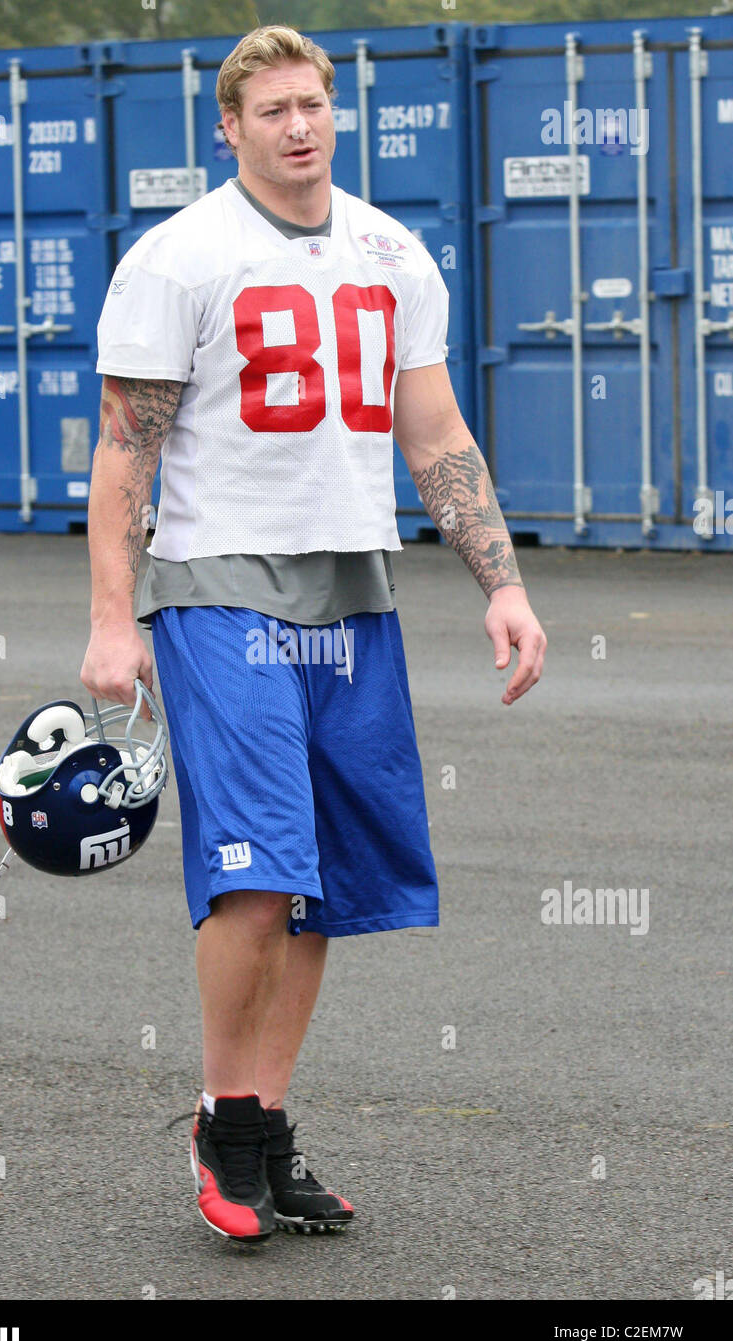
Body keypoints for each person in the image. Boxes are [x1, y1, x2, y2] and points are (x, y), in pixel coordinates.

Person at [81, 24, 546, 1244]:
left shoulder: (394, 253)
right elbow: (127, 444)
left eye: (315, 106)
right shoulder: (180, 257)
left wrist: (498, 583)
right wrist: (110, 620)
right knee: (260, 870)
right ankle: (223, 1123)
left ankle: (264, 1127)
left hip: (354, 592)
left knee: (326, 889)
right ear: (228, 128)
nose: (300, 126)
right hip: (215, 587)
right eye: (273, 109)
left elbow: (435, 435)